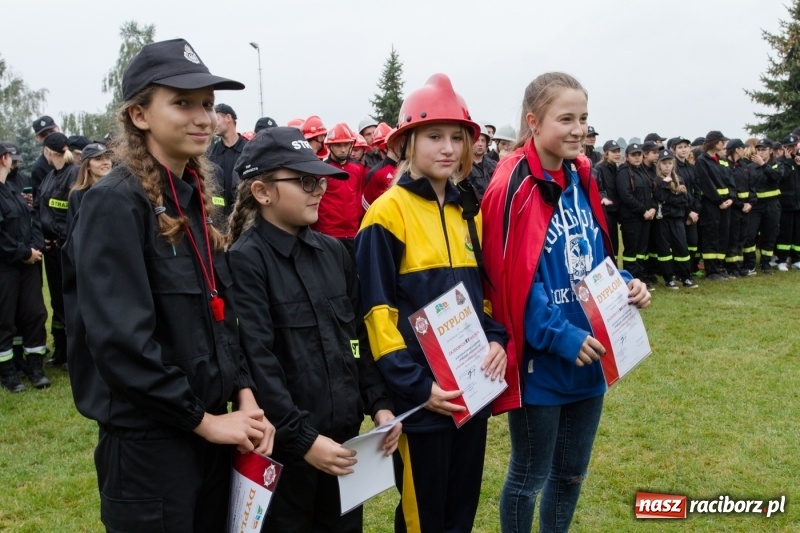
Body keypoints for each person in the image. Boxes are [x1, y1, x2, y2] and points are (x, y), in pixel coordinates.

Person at [62, 38, 274, 532]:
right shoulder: (114, 204)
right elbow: (122, 345)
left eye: (207, 104)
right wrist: (205, 422)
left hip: (210, 434)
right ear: (139, 115)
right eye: (182, 102)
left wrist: (243, 392)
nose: (203, 117)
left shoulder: (192, 200)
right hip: (151, 448)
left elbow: (219, 314)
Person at [479, 72, 650, 533]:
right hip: (544, 360)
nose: (579, 129)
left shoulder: (580, 175)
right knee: (528, 477)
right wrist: (559, 335)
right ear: (533, 122)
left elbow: (593, 253)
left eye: (584, 118)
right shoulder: (509, 184)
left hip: (591, 354)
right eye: (566, 118)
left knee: (572, 474)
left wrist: (627, 283)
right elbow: (507, 281)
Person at [356, 73, 508, 533]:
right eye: (434, 136)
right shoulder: (386, 213)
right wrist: (417, 386)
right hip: (422, 403)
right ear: (405, 143)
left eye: (457, 138)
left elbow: (480, 296)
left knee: (461, 511)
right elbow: (376, 314)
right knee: (424, 518)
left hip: (469, 393)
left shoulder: (467, 211)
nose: (448, 148)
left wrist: (496, 339)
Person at [227, 126, 398, 532]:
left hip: (344, 445)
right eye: (304, 181)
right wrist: (303, 440)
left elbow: (358, 336)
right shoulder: (245, 262)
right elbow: (258, 360)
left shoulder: (335, 253)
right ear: (263, 192)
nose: (318, 189)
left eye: (320, 180)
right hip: (285, 455)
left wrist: (379, 403)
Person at [0, 142, 50, 392]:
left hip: (29, 263)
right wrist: (23, 253)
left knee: (34, 314)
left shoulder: (12, 189)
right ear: (5, 159)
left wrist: (36, 247)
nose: (15, 162)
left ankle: (34, 367)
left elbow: (32, 218)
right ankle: (8, 373)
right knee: (4, 319)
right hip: (7, 266)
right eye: (11, 158)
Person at [35, 132, 79, 368]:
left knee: (70, 301)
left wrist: (61, 239)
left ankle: (73, 352)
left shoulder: (74, 174)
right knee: (58, 302)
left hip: (66, 250)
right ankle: (60, 350)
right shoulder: (51, 176)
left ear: (49, 152)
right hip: (51, 250)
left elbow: (74, 214)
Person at [313, 122, 366, 260]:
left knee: (353, 277)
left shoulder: (358, 169)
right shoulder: (320, 171)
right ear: (329, 146)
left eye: (346, 144)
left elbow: (359, 196)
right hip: (328, 234)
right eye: (338, 145)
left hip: (353, 233)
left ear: (351, 145)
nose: (343, 149)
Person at [653, 149, 697, 288]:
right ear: (659, 165)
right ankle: (668, 278)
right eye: (664, 163)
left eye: (670, 163)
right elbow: (660, 198)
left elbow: (684, 200)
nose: (667, 166)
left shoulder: (679, 179)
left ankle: (685, 276)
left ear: (673, 164)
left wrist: (672, 198)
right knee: (665, 249)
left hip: (677, 218)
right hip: (663, 219)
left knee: (682, 247)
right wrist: (667, 186)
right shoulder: (656, 181)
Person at [694, 131, 734, 280]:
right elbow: (706, 184)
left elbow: (730, 179)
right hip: (711, 205)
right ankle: (711, 271)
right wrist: (719, 201)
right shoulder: (702, 160)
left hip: (726, 204)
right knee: (711, 235)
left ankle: (719, 267)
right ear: (714, 142)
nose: (723, 144)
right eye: (721, 141)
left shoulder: (721, 160)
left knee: (723, 235)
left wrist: (731, 198)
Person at [616, 143, 656, 287]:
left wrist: (652, 208)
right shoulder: (623, 172)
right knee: (631, 251)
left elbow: (651, 193)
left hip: (645, 218)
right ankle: (631, 279)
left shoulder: (643, 172)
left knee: (642, 251)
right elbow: (626, 196)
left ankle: (641, 276)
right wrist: (643, 210)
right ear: (627, 157)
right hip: (631, 219)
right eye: (634, 155)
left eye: (639, 154)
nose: (637, 157)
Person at [742, 138, 782, 274]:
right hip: (756, 206)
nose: (760, 152)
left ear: (771, 151)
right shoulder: (751, 167)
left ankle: (766, 264)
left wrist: (764, 165)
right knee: (749, 235)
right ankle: (750, 264)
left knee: (769, 235)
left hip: (772, 205)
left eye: (763, 149)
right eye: (758, 149)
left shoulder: (776, 165)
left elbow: (776, 177)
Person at [208, 103, 245, 218]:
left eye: (216, 119)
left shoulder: (249, 150)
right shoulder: (211, 153)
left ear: (228, 118)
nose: (213, 124)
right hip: (219, 220)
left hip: (243, 217)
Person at [671, 136, 702, 274]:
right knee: (680, 244)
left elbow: (696, 189)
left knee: (693, 243)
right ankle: (680, 272)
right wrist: (689, 211)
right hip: (681, 211)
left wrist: (696, 210)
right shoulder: (674, 168)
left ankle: (689, 269)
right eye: (680, 147)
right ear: (674, 150)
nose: (683, 150)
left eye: (685, 147)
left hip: (693, 212)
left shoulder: (691, 167)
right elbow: (678, 191)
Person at [66, 142, 112, 233]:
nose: (105, 162)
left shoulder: (121, 189)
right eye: (98, 159)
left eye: (107, 158)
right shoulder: (78, 194)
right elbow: (74, 229)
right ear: (87, 166)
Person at [775, 134, 800, 270]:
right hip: (786, 204)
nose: (792, 149)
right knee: (785, 233)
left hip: (798, 204)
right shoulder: (781, 162)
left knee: (797, 233)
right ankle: (782, 260)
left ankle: (796, 258)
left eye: (794, 146)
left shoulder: (798, 161)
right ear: (784, 148)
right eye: (789, 147)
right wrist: (790, 162)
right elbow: (782, 178)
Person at [594, 139, 621, 258]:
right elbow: (598, 188)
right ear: (606, 153)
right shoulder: (599, 168)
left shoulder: (617, 168)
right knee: (607, 243)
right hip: (605, 212)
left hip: (615, 212)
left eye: (618, 151)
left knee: (615, 243)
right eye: (613, 151)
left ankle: (613, 268)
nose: (617, 154)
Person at [30, 115, 59, 197]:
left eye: (52, 132)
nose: (49, 136)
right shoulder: (39, 168)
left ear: (58, 129)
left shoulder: (71, 154)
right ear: (38, 138)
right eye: (44, 135)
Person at [469, 123, 498, 200]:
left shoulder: (494, 165)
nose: (480, 144)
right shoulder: (462, 166)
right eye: (477, 140)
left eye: (483, 140)